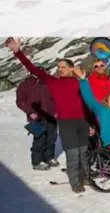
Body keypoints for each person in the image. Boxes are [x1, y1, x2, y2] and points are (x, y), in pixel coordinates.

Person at [7, 37, 93, 193]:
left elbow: (88, 103)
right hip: (66, 123)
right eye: (58, 67)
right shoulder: (53, 82)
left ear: (72, 68)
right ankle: (76, 183)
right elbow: (33, 69)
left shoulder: (79, 82)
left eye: (63, 67)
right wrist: (18, 52)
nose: (60, 69)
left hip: (82, 121)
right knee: (73, 153)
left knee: (84, 152)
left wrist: (91, 124)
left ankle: (86, 176)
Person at [16, 64, 58, 170]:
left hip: (51, 116)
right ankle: (37, 162)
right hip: (35, 117)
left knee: (51, 138)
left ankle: (49, 158)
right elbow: (20, 101)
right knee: (39, 140)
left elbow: (57, 98)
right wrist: (30, 112)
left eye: (40, 70)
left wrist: (57, 111)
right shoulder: (25, 85)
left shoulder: (49, 83)